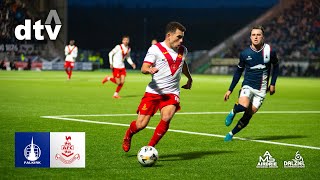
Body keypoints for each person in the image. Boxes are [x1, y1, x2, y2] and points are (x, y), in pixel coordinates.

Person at [121, 21, 193, 152]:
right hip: (154, 91)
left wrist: (189, 78)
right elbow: (143, 68)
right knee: (141, 124)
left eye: (183, 37)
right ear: (169, 35)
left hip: (172, 92)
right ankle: (128, 135)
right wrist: (149, 70)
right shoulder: (155, 49)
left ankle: (150, 148)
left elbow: (182, 64)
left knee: (167, 117)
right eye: (179, 37)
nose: (181, 40)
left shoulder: (183, 50)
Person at [223, 25, 280, 141]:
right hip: (248, 85)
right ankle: (233, 111)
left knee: (249, 115)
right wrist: (230, 89)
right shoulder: (244, 54)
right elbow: (238, 72)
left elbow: (276, 66)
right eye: (253, 35)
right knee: (243, 106)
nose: (256, 37)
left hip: (261, 90)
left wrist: (273, 83)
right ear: (250, 37)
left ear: (263, 37)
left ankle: (231, 133)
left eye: (258, 35)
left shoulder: (270, 51)